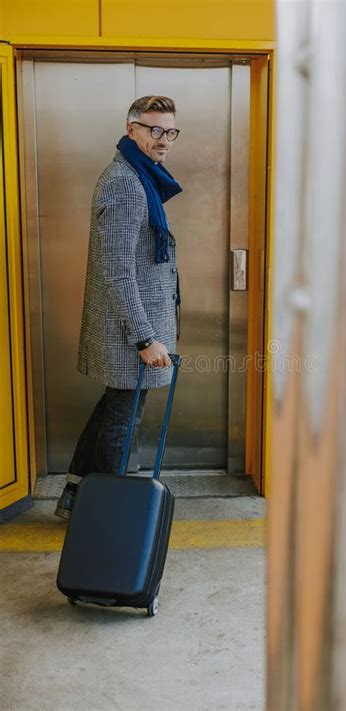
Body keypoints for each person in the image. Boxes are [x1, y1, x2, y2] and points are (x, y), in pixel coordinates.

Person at [55, 95, 182, 520]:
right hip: (130, 331)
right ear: (132, 129)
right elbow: (117, 271)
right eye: (154, 130)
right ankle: (105, 517)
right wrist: (145, 338)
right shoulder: (127, 183)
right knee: (124, 424)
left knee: (116, 406)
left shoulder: (140, 175)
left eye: (170, 131)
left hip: (129, 326)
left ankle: (76, 495)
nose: (164, 140)